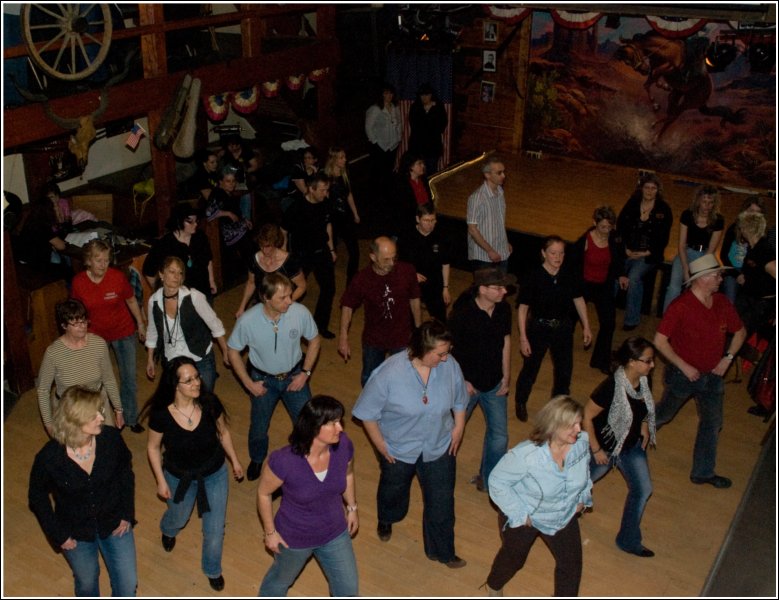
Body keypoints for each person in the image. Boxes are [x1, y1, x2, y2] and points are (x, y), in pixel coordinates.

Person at [352, 320, 468, 568]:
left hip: (439, 444)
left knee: (442, 501)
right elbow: (366, 413)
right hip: (398, 447)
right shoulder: (388, 373)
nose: (445, 358)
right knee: (393, 488)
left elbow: (459, 398)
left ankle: (442, 551)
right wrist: (381, 445)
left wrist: (459, 426)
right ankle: (387, 517)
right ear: (421, 351)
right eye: (440, 354)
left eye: (447, 352)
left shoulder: (450, 365)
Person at [142, 357, 243, 592]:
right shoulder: (161, 414)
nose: (197, 383)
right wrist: (159, 479)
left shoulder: (209, 403)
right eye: (189, 380)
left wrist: (235, 460)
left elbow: (223, 432)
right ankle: (168, 531)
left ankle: (212, 569)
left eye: (196, 377)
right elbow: (152, 448)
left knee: (215, 529)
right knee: (178, 517)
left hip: (214, 472)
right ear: (175, 385)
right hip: (179, 477)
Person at [29, 386, 137, 597]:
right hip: (75, 532)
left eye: (100, 410)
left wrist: (127, 513)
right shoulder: (49, 457)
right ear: (74, 420)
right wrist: (59, 535)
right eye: (94, 414)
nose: (101, 417)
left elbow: (126, 474)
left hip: (115, 521)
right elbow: (37, 497)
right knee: (87, 583)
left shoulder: (111, 439)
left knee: (128, 583)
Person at [653, 254, 747, 489]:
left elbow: (740, 332)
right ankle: (631, 438)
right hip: (683, 377)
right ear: (702, 279)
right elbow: (660, 341)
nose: (720, 278)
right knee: (664, 414)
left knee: (712, 423)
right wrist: (684, 366)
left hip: (713, 377)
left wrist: (727, 359)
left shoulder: (722, 302)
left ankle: (703, 473)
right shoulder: (681, 306)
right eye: (716, 274)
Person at [485, 395, 592, 597]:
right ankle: (494, 584)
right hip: (529, 517)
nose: (579, 429)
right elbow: (497, 481)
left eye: (579, 423)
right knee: (514, 558)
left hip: (563, 514)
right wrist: (520, 514)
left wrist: (582, 498)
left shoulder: (581, 443)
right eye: (572, 425)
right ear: (553, 425)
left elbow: (585, 472)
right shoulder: (527, 455)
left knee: (571, 566)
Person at [257, 396, 359, 596]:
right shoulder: (284, 460)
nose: (340, 428)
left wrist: (352, 508)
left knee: (348, 590)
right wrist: (270, 532)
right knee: (279, 582)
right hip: (294, 538)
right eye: (333, 423)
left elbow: (348, 475)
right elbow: (263, 493)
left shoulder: (343, 446)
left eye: (340, 421)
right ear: (314, 427)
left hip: (334, 532)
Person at [228, 272, 321, 482]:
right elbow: (232, 351)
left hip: (294, 376)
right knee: (259, 426)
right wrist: (248, 383)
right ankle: (258, 458)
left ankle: (308, 458)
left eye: (290, 294)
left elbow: (315, 341)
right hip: (263, 380)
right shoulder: (248, 321)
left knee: (309, 423)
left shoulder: (300, 313)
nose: (290, 300)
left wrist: (305, 374)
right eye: (283, 297)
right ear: (266, 298)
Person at [582, 337, 657, 558]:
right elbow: (586, 417)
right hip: (604, 448)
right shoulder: (610, 387)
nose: (652, 365)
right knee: (579, 483)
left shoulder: (643, 380)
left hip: (630, 447)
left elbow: (643, 406)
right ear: (632, 362)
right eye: (648, 361)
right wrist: (596, 450)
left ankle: (628, 540)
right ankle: (555, 514)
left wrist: (644, 425)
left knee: (643, 489)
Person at [72, 239, 147, 433]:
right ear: (88, 261)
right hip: (95, 336)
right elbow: (76, 312)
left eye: (106, 260)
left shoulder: (117, 277)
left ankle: (130, 418)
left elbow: (131, 300)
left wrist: (140, 323)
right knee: (100, 380)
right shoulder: (79, 282)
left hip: (123, 331)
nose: (103, 265)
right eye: (99, 260)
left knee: (128, 377)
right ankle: (104, 421)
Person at [515, 236, 592, 422]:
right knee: (530, 369)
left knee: (564, 372)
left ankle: (557, 409)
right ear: (543, 254)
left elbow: (578, 299)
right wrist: (524, 337)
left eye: (561, 253)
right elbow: (523, 308)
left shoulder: (569, 274)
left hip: (563, 329)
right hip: (539, 328)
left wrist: (586, 326)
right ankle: (520, 401)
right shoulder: (533, 276)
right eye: (553, 253)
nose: (558, 257)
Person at [449, 267, 513, 492]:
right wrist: (462, 381)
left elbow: (506, 341)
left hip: (494, 383)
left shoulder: (504, 309)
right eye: (498, 288)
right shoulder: (462, 312)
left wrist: (506, 375)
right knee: (451, 433)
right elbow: (449, 351)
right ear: (482, 289)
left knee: (500, 437)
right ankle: (441, 476)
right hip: (467, 387)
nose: (504, 291)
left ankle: (488, 481)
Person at [338, 236, 422, 386]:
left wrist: (419, 329)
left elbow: (414, 299)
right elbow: (347, 306)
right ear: (373, 257)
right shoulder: (361, 279)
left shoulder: (407, 270)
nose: (391, 264)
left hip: (402, 337)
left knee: (402, 379)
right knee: (370, 378)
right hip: (374, 339)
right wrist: (343, 338)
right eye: (386, 259)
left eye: (394, 258)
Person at [37, 299, 124, 433]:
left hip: (98, 405)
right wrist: (48, 423)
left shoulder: (98, 344)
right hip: (70, 410)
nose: (82, 326)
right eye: (76, 323)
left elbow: (109, 379)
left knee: (105, 445)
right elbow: (43, 390)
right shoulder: (53, 353)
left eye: (84, 321)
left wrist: (118, 409)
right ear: (64, 326)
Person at [145, 256, 230, 393]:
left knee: (204, 400)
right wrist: (150, 359)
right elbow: (152, 332)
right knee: (181, 404)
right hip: (173, 361)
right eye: (172, 272)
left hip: (200, 359)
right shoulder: (154, 301)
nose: (176, 276)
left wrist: (225, 351)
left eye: (180, 273)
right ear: (161, 274)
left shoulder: (194, 297)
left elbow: (215, 325)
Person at [282, 173, 337, 338]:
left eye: (327, 190)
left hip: (322, 251)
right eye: (322, 190)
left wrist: (332, 249)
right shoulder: (296, 207)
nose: (325, 194)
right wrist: (285, 254)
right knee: (294, 291)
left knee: (329, 289)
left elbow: (328, 226)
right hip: (302, 255)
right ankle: (285, 322)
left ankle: (320, 324)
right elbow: (283, 230)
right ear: (311, 189)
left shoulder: (325, 203)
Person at [616, 174, 673, 330]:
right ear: (641, 188)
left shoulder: (664, 210)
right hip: (627, 251)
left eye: (653, 188)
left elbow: (663, 239)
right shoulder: (632, 204)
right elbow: (619, 228)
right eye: (646, 187)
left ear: (658, 190)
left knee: (634, 278)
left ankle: (632, 320)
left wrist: (646, 252)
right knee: (613, 274)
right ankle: (607, 310)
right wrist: (625, 249)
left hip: (648, 255)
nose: (649, 191)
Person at [570, 206, 622, 374]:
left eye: (610, 227)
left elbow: (617, 260)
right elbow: (572, 263)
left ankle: (600, 360)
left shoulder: (614, 239)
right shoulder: (585, 240)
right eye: (603, 227)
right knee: (569, 318)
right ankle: (562, 347)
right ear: (595, 223)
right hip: (584, 284)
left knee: (609, 323)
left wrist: (621, 275)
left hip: (603, 286)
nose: (607, 231)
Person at [663, 185, 724, 312]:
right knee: (673, 288)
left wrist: (698, 271)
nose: (707, 206)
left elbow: (711, 250)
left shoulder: (718, 220)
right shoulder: (687, 215)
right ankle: (667, 320)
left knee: (700, 289)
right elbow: (681, 244)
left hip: (705, 255)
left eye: (710, 202)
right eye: (704, 201)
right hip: (686, 252)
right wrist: (686, 269)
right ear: (698, 201)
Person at [143, 203, 216, 300]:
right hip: (181, 297)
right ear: (179, 222)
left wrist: (211, 280)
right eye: (190, 222)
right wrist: (163, 292)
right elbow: (148, 271)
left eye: (196, 220)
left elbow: (208, 259)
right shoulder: (164, 244)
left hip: (203, 291)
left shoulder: (200, 237)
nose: (195, 224)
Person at [235, 222, 307, 318]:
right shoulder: (254, 260)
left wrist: (286, 302)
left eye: (268, 246)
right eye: (261, 246)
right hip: (262, 305)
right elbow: (251, 283)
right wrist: (242, 307)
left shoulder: (289, 261)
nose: (264, 250)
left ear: (275, 243)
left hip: (284, 308)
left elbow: (302, 286)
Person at [398, 203, 451, 322]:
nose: (430, 224)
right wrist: (412, 275)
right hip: (413, 284)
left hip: (435, 284)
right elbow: (400, 264)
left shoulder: (441, 237)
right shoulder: (407, 237)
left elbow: (445, 264)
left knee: (441, 320)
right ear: (418, 219)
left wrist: (445, 287)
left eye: (433, 220)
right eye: (426, 220)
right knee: (412, 319)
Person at [735, 211, 776, 342]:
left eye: (742, 227)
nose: (740, 229)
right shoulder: (753, 248)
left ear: (748, 228)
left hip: (760, 303)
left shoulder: (763, 250)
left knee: (739, 334)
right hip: (748, 298)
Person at [466, 155, 511, 272]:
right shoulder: (477, 198)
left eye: (503, 172)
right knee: (485, 289)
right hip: (484, 257)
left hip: (501, 251)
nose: (503, 176)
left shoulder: (500, 192)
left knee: (501, 287)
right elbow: (472, 229)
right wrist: (489, 250)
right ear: (487, 175)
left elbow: (498, 221)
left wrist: (505, 242)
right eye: (499, 173)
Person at [324, 147, 361, 284]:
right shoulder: (326, 177)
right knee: (330, 250)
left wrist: (355, 213)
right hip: (332, 219)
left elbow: (349, 194)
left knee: (354, 250)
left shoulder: (345, 173)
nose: (345, 160)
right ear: (333, 159)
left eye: (344, 157)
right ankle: (327, 278)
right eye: (341, 157)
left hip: (346, 217)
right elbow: (324, 199)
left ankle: (352, 279)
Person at [720, 196, 766, 303]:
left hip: (749, 273)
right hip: (732, 270)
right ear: (744, 211)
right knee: (729, 300)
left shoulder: (762, 235)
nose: (753, 215)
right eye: (751, 211)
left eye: (757, 213)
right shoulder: (734, 228)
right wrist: (737, 274)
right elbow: (723, 255)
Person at [364, 83, 401, 190]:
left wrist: (398, 138)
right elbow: (368, 127)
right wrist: (375, 142)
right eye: (386, 93)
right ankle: (374, 191)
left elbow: (399, 124)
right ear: (382, 95)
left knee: (388, 170)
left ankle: (387, 190)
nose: (389, 96)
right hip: (379, 146)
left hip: (392, 145)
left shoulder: (395, 108)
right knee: (376, 170)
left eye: (391, 93)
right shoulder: (375, 109)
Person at [408, 83, 448, 177]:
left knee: (431, 172)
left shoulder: (438, 107)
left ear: (431, 95)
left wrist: (430, 111)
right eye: (422, 95)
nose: (425, 97)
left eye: (427, 95)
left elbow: (442, 125)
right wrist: (428, 112)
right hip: (417, 146)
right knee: (417, 173)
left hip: (432, 147)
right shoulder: (415, 107)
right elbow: (415, 126)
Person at [393, 152, 432, 237]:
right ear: (411, 167)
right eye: (419, 163)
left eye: (423, 163)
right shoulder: (402, 184)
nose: (423, 166)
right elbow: (403, 209)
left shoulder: (424, 181)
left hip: (426, 219)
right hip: (411, 223)